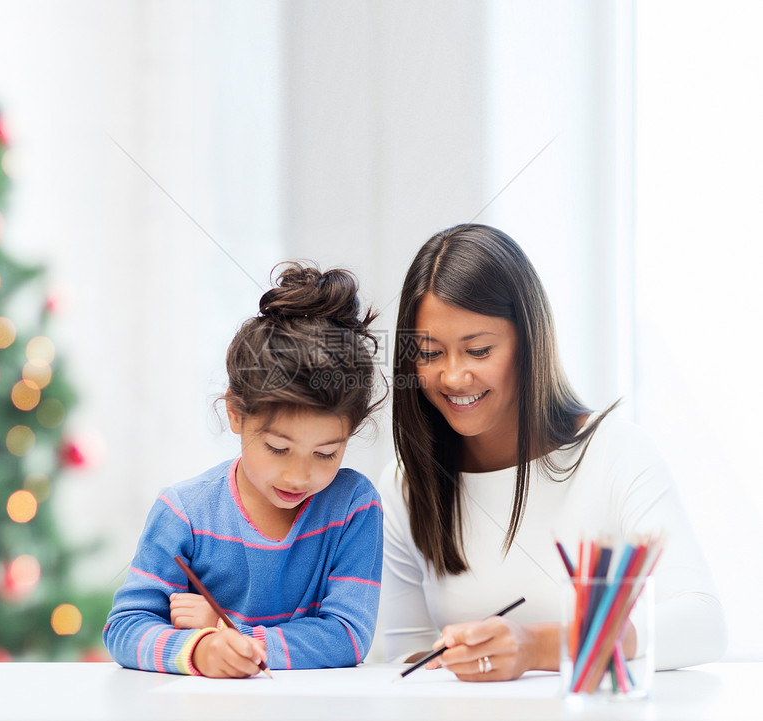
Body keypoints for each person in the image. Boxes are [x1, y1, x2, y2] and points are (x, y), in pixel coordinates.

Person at [380, 224, 727, 681]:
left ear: (529, 343)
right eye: (429, 353)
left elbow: (702, 624)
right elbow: (401, 656)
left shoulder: (614, 453)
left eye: (478, 350)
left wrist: (539, 646)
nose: (453, 377)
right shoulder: (407, 482)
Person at [104, 262, 384, 677]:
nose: (297, 476)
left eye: (326, 453)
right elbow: (125, 628)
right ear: (236, 415)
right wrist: (199, 649)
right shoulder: (185, 511)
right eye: (277, 448)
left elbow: (347, 636)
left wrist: (232, 632)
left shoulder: (353, 507)